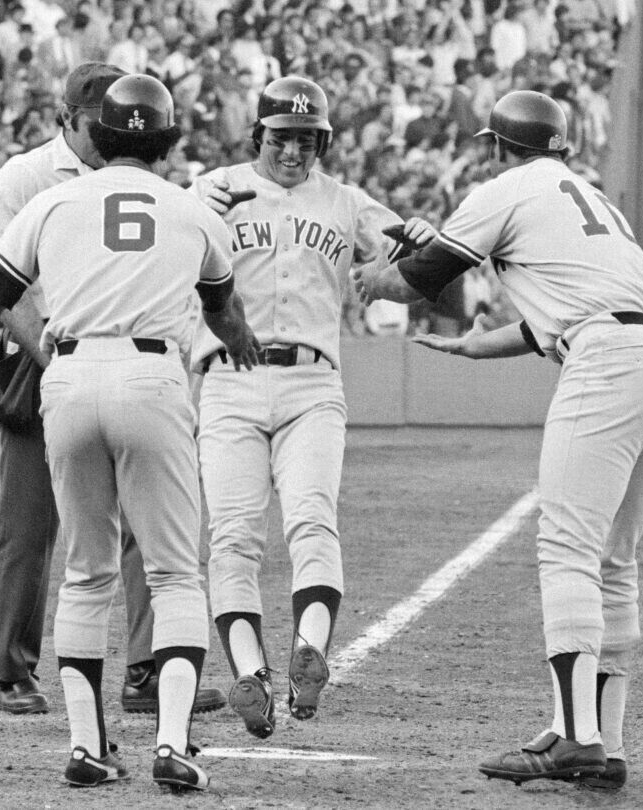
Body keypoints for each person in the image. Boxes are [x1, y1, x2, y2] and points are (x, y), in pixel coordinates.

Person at [0, 74, 260, 793]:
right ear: (167, 140)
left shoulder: (50, 200)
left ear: (95, 134)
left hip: (65, 378)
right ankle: (169, 741)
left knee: (84, 569)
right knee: (171, 571)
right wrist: (246, 342)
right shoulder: (191, 210)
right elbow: (224, 313)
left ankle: (84, 746)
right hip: (151, 377)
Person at [355, 90, 643, 792]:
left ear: (497, 145)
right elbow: (567, 311)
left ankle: (576, 738)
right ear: (562, 144)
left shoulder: (507, 186)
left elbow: (418, 281)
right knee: (611, 557)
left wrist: (370, 276)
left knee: (566, 547)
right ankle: (604, 740)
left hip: (606, 358)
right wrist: (479, 347)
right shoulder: (593, 199)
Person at [0, 62, 224, 720]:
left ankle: (144, 668)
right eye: (92, 121)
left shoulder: (132, 178)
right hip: (40, 357)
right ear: (67, 120)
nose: (103, 132)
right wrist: (47, 348)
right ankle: (11, 670)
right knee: (29, 527)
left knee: (141, 528)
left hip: (95, 363)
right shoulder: (25, 176)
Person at [192, 75, 437, 739]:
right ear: (259, 137)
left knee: (309, 520)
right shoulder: (214, 190)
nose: (294, 151)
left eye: (306, 139)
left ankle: (309, 654)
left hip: (312, 383)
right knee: (235, 535)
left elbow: (417, 274)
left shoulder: (348, 202)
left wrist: (421, 240)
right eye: (282, 138)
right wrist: (191, 203)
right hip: (229, 378)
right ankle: (250, 674)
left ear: (322, 141)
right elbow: (166, 252)